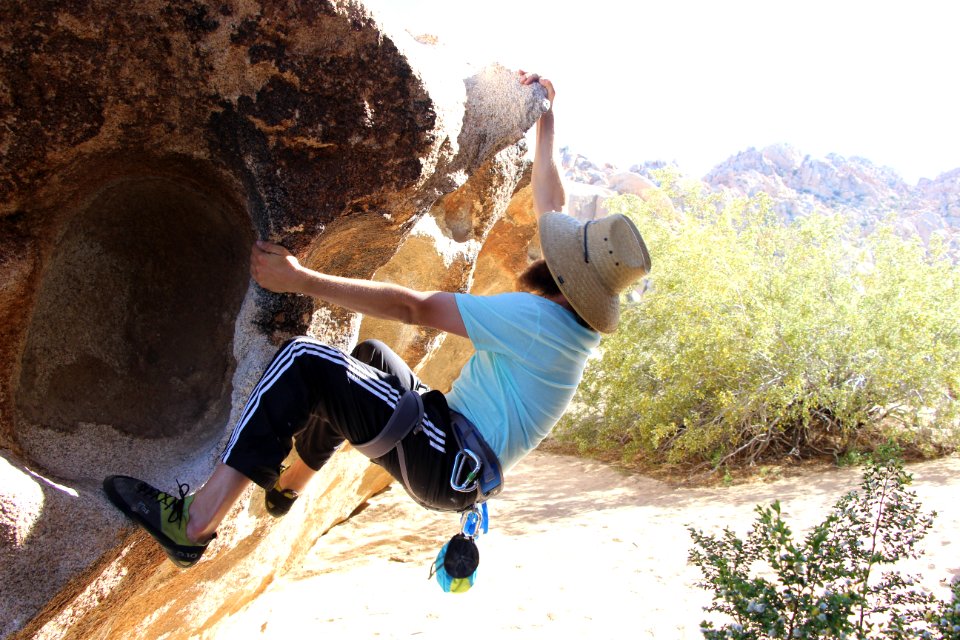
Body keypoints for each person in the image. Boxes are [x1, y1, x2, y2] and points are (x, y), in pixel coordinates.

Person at [103, 71, 652, 568]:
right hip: (454, 457)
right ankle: (290, 486)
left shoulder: (539, 322)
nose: (549, 237)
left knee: (305, 363)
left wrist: (303, 279)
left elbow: (412, 307)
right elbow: (550, 203)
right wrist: (546, 119)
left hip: (445, 459)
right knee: (369, 361)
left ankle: (195, 524)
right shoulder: (571, 327)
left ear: (563, 271)